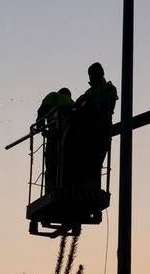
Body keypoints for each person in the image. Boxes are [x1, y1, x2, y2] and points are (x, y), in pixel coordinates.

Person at [65, 62, 118, 190]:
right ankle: (84, 186)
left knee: (93, 164)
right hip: (88, 134)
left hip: (98, 133)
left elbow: (105, 105)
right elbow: (77, 108)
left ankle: (88, 187)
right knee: (86, 164)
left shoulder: (108, 89)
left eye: (93, 74)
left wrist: (88, 107)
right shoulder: (88, 93)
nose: (91, 77)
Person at [36, 87, 74, 187]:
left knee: (51, 164)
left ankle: (50, 189)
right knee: (65, 165)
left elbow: (41, 111)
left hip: (54, 135)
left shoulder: (53, 96)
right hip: (69, 139)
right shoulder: (73, 103)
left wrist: (41, 128)